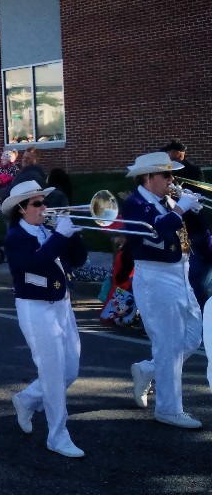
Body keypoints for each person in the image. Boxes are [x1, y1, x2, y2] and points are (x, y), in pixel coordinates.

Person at [122, 151, 209, 429]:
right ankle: (169, 409)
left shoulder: (168, 200)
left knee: (194, 337)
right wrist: (180, 209)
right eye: (167, 175)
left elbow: (196, 239)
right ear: (148, 178)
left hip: (181, 273)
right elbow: (154, 232)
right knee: (169, 344)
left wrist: (195, 215)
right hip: (155, 276)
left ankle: (149, 369)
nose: (172, 180)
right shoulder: (135, 204)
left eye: (172, 174)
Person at [3, 180, 88, 457]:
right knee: (52, 374)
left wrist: (73, 235)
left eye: (44, 202)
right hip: (35, 307)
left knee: (70, 371)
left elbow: (79, 259)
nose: (44, 208)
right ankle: (57, 436)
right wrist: (59, 237)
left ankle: (27, 399)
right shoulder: (15, 237)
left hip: (61, 304)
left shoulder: (49, 230)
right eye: (37, 203)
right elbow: (32, 264)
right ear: (21, 209)